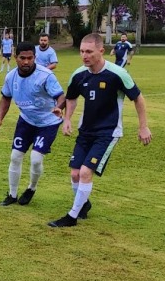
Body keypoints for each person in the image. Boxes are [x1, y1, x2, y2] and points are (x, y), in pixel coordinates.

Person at [49, 33, 152, 228]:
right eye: (81, 51)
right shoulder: (79, 74)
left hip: (108, 132)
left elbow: (138, 98)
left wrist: (143, 126)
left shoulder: (117, 74)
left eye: (89, 51)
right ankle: (83, 204)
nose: (84, 56)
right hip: (85, 131)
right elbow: (71, 97)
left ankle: (72, 216)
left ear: (101, 51)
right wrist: (67, 119)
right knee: (75, 174)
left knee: (86, 172)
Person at [0, 41, 64, 206]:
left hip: (48, 123)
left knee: (36, 159)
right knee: (15, 156)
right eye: (22, 58)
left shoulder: (45, 75)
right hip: (27, 121)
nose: (26, 62)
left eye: (30, 58)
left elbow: (61, 96)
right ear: (16, 58)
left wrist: (59, 108)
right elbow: (6, 97)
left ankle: (31, 188)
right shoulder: (11, 77)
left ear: (34, 57)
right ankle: (12, 194)